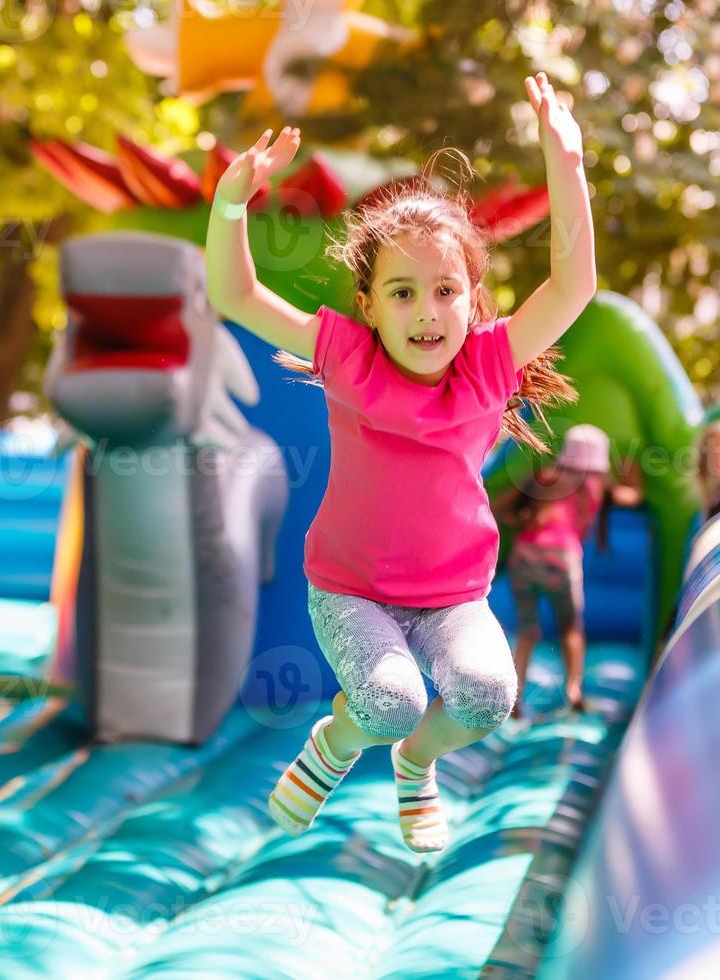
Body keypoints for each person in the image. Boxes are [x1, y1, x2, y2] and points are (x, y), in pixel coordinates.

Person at [205, 73, 596, 853]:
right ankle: (336, 745)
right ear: (371, 305)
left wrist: (568, 165)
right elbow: (235, 294)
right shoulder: (347, 357)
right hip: (352, 591)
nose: (426, 311)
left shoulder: (489, 364)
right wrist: (230, 204)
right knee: (387, 702)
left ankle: (417, 765)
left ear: (472, 298)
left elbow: (572, 283)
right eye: (404, 293)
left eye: (445, 290)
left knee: (488, 697)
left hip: (452, 595)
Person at [492, 425, 642, 720]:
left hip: (526, 556)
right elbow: (632, 498)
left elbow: (499, 506)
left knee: (526, 631)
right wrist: (632, 478)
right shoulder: (598, 485)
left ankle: (515, 698)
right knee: (571, 629)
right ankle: (574, 691)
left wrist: (519, 517)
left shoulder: (546, 477)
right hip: (562, 557)